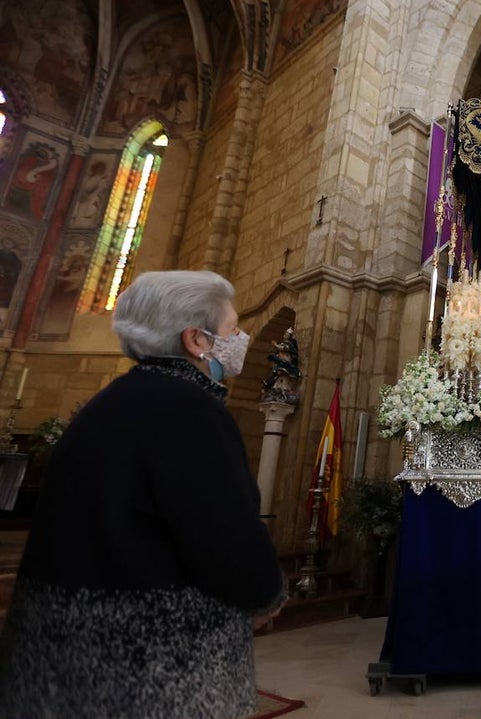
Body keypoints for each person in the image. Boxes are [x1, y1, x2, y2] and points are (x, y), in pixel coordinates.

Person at [0, 271, 287, 718]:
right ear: (196, 339)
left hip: (63, 653)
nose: (242, 339)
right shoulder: (190, 411)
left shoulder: (107, 404)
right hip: (150, 665)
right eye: (233, 329)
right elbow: (226, 538)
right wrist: (266, 594)